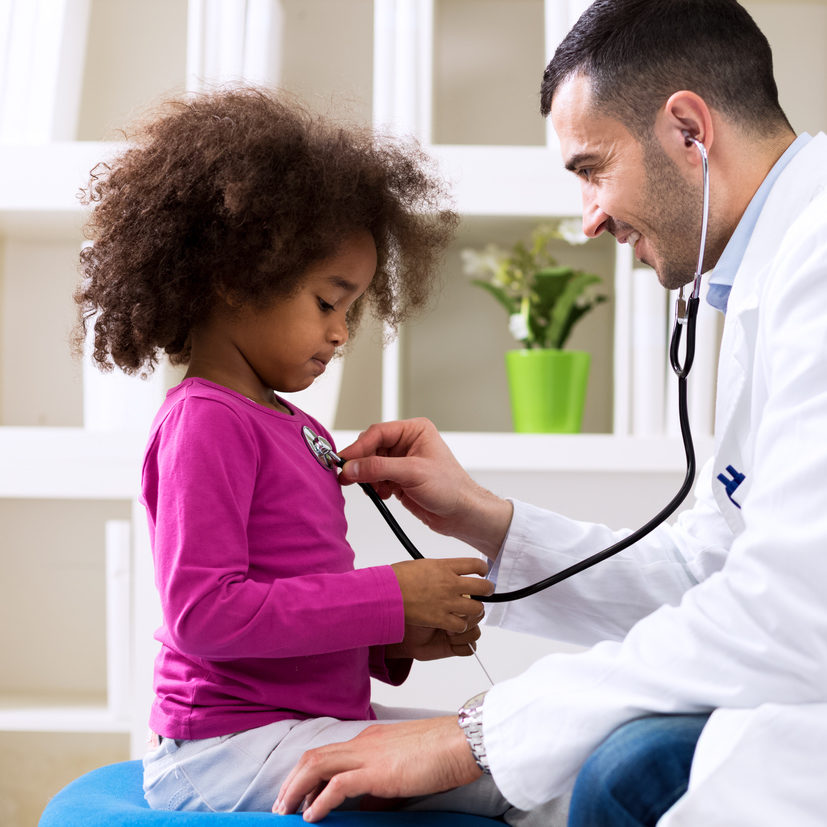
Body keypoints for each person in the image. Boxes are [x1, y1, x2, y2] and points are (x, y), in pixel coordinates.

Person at [276, 1, 827, 824]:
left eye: (592, 167)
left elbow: (790, 603)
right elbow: (708, 575)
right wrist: (488, 523)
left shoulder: (814, 260)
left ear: (688, 129)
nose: (590, 217)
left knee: (626, 769)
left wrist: (475, 735)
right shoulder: (768, 271)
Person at [73, 87, 507, 815]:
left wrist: (393, 636)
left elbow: (290, 604)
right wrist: (387, 594)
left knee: (516, 751)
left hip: (290, 725)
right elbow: (205, 614)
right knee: (505, 778)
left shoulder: (290, 423)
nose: (341, 332)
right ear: (235, 278)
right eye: (326, 301)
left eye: (352, 309)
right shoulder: (205, 422)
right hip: (221, 749)